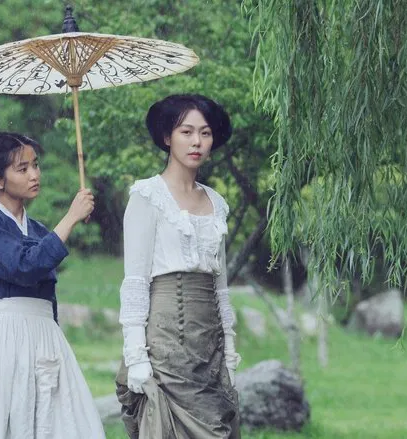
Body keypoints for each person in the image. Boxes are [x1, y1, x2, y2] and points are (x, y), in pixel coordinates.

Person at [0, 132, 105, 439]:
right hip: (3, 337)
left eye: (36, 165)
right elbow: (24, 267)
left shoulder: (40, 230)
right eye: (22, 168)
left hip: (45, 338)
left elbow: (46, 287)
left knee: (60, 424)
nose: (35, 175)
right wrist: (70, 218)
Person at [115, 94, 242, 438]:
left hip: (209, 342)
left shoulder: (216, 202)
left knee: (219, 422)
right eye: (186, 132)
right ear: (167, 137)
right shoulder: (147, 196)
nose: (197, 141)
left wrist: (229, 348)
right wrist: (137, 356)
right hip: (165, 341)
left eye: (205, 133)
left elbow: (221, 285)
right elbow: (136, 282)